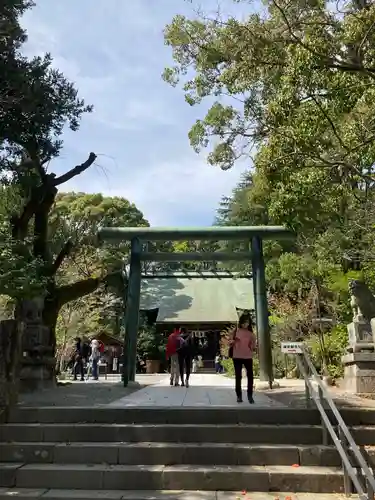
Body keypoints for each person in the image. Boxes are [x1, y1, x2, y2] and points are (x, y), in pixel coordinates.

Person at [229, 314, 257, 404]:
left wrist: (253, 344)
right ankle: (239, 395)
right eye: (244, 322)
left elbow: (253, 346)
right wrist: (233, 341)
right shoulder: (236, 331)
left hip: (248, 356)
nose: (246, 324)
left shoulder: (251, 334)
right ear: (241, 323)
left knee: (250, 376)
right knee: (238, 376)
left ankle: (250, 395)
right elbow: (230, 342)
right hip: (237, 356)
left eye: (247, 322)